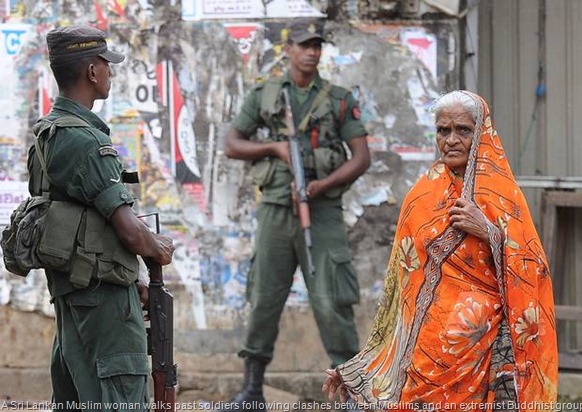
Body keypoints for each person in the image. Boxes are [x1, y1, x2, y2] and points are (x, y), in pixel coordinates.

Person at [322, 90, 558, 410]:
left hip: (481, 341)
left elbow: (534, 269)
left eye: (463, 130)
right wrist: (370, 362)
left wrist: (489, 232)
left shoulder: (502, 195)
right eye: (442, 130)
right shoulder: (422, 194)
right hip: (424, 343)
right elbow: (401, 289)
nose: (451, 140)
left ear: (482, 134)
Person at [223, 19, 371, 411]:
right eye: (304, 45)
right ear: (287, 49)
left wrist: (322, 185)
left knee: (332, 300)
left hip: (321, 214)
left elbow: (361, 157)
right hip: (275, 210)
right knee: (263, 298)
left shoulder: (338, 98)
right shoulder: (265, 94)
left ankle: (352, 392)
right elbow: (232, 144)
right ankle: (251, 391)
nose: (311, 52)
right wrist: (274, 149)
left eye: (317, 46)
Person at [28, 25, 175, 408]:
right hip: (103, 303)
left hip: (73, 298)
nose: (110, 72)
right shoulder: (86, 141)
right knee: (122, 398)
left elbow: (81, 222)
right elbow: (128, 230)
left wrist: (134, 276)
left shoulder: (47, 136)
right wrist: (158, 249)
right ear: (93, 72)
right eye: (106, 65)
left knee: (78, 397)